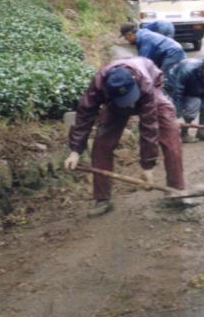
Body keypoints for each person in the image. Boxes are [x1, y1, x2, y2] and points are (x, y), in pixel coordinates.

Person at [64, 57, 185, 216]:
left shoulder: (145, 84)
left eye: (129, 99)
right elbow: (84, 115)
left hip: (150, 94)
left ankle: (176, 190)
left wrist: (147, 166)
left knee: (171, 134)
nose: (129, 105)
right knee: (101, 144)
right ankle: (102, 199)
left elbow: (149, 126)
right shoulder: (99, 84)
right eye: (125, 101)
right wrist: (75, 150)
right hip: (115, 103)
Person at [120, 23, 185, 81]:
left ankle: (168, 93)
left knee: (163, 79)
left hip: (172, 53)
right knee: (161, 76)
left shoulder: (145, 39)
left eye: (126, 38)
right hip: (169, 52)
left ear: (130, 34)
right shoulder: (142, 34)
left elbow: (143, 62)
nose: (127, 40)